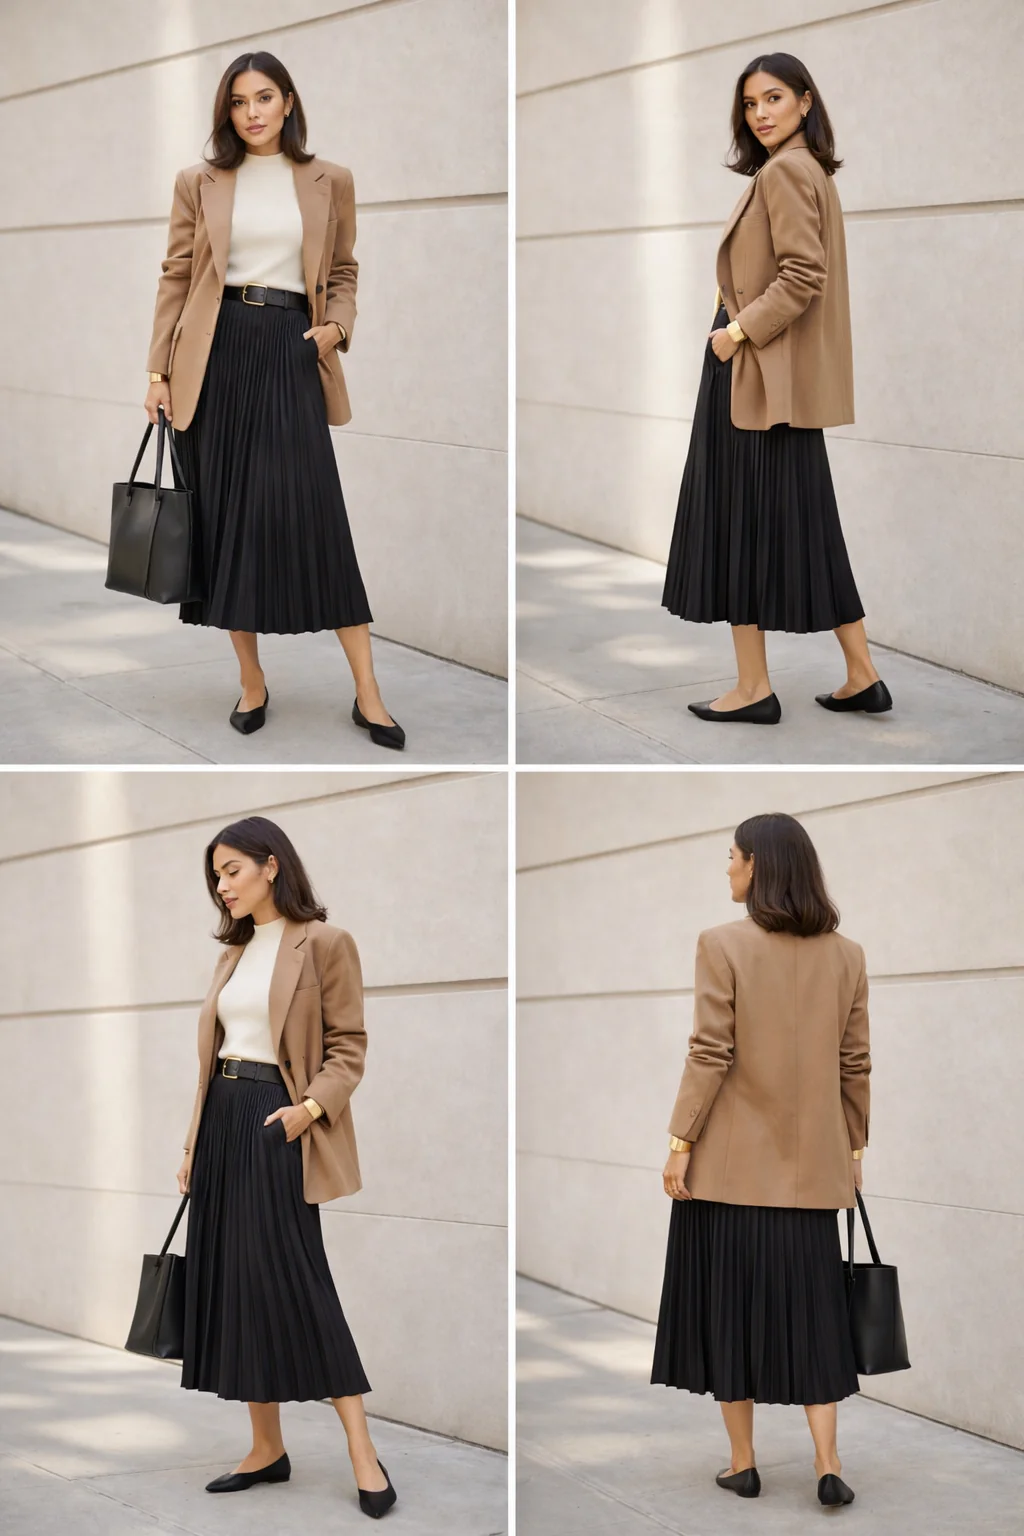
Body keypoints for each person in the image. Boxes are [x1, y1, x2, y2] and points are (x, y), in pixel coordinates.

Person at [145, 51, 404, 750]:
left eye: (264, 97)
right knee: (227, 521)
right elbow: (176, 276)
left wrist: (334, 330)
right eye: (238, 102)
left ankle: (368, 692)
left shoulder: (329, 180)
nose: (252, 112)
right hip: (214, 353)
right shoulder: (198, 181)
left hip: (291, 348)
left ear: (288, 102)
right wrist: (157, 372)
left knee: (315, 517)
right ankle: (252, 682)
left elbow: (344, 267)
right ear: (225, 112)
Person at [177, 815, 397, 1518]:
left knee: (297, 1281)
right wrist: (191, 1147)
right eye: (215, 875)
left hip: (278, 1122)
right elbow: (213, 1060)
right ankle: (266, 1448)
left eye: (232, 870)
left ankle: (364, 1453)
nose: (222, 886)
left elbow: (350, 1046)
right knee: (235, 1284)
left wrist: (308, 1110)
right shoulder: (232, 953)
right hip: (221, 1126)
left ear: (272, 865)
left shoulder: (325, 943)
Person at [661, 52, 891, 726]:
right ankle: (861, 673)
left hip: (753, 373)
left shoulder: (788, 172)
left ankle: (753, 687)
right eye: (750, 104)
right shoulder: (805, 170)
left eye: (774, 99)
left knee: (740, 524)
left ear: (805, 101)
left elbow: (801, 275)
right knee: (807, 525)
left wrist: (734, 335)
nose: (760, 114)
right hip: (774, 382)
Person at [651, 812, 867, 1510]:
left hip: (729, 1174)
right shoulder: (848, 955)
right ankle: (827, 1464)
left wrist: (680, 1142)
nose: (728, 868)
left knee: (729, 1316)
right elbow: (854, 1063)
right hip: (813, 1179)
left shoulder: (722, 944)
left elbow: (709, 1051)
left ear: (758, 867)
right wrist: (854, 1148)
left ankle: (742, 1463)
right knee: (814, 1319)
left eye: (734, 857)